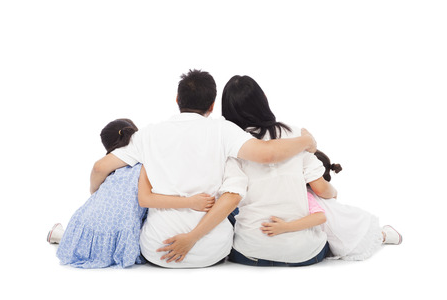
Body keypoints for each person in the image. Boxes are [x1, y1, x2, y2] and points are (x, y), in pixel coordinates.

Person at [90, 69, 318, 268]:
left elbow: (101, 167)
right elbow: (267, 154)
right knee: (234, 193)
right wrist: (306, 141)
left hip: (157, 250)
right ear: (212, 105)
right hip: (211, 251)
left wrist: (93, 193)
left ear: (177, 99)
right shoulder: (223, 130)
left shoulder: (148, 134)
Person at [47, 119, 216, 268]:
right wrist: (191, 202)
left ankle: (62, 236)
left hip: (84, 224)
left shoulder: (114, 171)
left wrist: (94, 191)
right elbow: (148, 201)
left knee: (87, 235)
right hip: (123, 234)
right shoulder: (147, 164)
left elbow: (98, 170)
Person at [221, 75, 335, 266]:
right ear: (264, 98)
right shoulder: (295, 133)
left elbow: (231, 196)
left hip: (249, 253)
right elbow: (321, 188)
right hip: (304, 253)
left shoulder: (233, 146)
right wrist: (334, 193)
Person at [305, 150, 402, 260]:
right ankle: (384, 235)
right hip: (347, 227)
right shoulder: (319, 191)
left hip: (350, 230)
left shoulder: (312, 192)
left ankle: (385, 235)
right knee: (366, 236)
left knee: (375, 237)